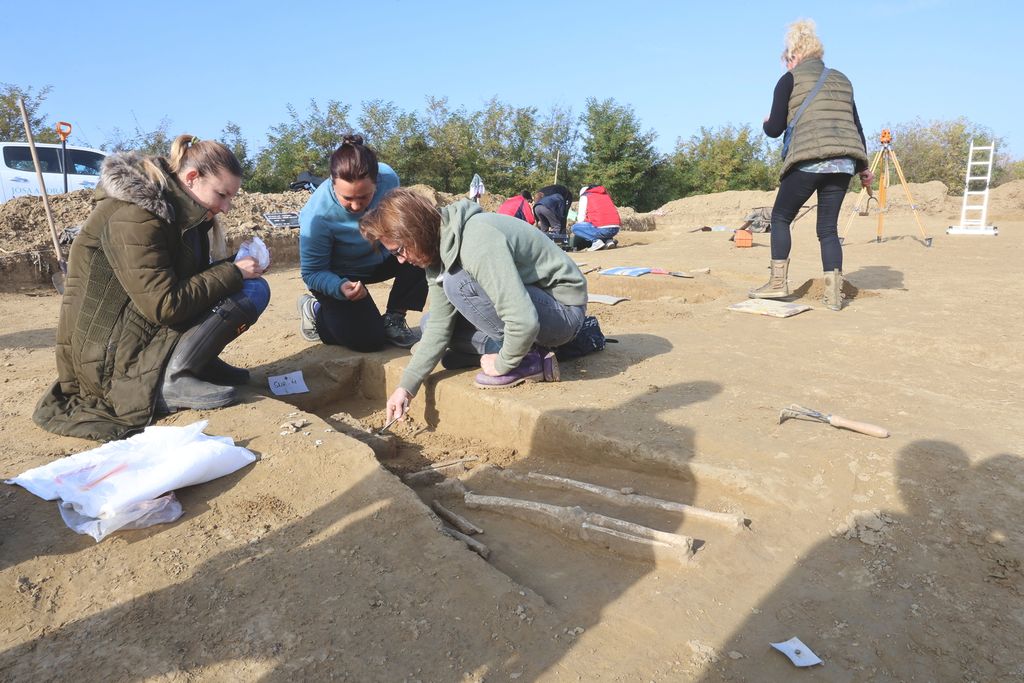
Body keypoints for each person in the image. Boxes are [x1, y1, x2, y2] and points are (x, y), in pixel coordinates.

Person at [33, 135, 270, 442]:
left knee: (252, 287)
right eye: (222, 195)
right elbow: (164, 304)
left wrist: (235, 266)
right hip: (110, 363)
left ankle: (197, 364)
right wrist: (232, 272)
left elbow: (184, 280)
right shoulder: (135, 215)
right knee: (248, 290)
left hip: (136, 331)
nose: (226, 208)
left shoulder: (184, 212)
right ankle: (171, 379)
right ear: (191, 177)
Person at [358, 189, 588, 422]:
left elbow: (524, 320)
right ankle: (513, 347)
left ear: (414, 231)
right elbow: (439, 325)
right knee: (429, 324)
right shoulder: (436, 250)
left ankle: (527, 358)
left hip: (563, 312)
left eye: (399, 250)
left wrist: (503, 363)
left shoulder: (477, 239)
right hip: (534, 309)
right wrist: (406, 387)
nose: (400, 260)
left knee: (458, 283)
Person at [751, 18, 873, 311]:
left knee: (781, 217)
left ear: (793, 56)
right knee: (828, 229)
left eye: (786, 60)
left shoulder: (789, 80)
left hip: (807, 161)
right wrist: (863, 167)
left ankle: (778, 283)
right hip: (844, 163)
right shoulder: (842, 79)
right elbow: (855, 125)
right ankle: (833, 296)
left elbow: (777, 127)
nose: (786, 66)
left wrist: (767, 124)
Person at [297, 135, 425, 349]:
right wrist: (338, 287)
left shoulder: (389, 179)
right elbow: (311, 273)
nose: (356, 207)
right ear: (332, 182)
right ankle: (316, 311)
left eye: (364, 197)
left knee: (424, 244)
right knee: (369, 340)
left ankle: (394, 317)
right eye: (347, 198)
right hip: (340, 275)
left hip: (380, 258)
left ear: (377, 183)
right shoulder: (317, 217)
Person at [572, 185, 621, 251]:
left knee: (575, 228)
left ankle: (596, 242)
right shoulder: (605, 195)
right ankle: (609, 240)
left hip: (603, 229)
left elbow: (581, 217)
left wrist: (583, 230)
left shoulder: (585, 196)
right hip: (615, 229)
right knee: (601, 226)